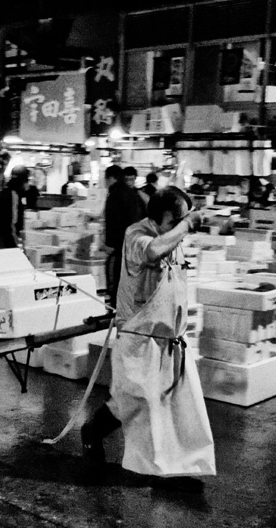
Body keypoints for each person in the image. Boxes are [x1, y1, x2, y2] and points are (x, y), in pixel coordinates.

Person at [82, 187, 216, 492]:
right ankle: (92, 430)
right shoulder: (136, 235)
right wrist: (185, 225)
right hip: (139, 336)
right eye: (178, 218)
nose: (183, 223)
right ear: (164, 216)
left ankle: (172, 464)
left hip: (169, 337)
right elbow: (153, 251)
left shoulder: (174, 236)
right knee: (134, 400)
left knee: (171, 401)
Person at [103, 165, 145, 309]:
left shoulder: (115, 194)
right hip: (135, 245)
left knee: (116, 280)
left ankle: (116, 312)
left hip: (121, 246)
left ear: (110, 178)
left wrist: (109, 244)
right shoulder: (134, 194)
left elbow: (112, 221)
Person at [0, 165, 29, 249]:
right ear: (23, 180)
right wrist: (15, 245)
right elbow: (11, 224)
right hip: (4, 242)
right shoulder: (13, 196)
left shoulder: (3, 193)